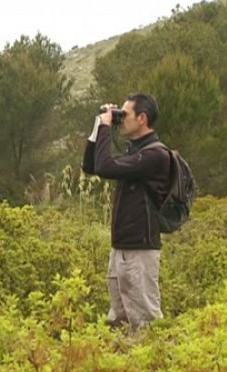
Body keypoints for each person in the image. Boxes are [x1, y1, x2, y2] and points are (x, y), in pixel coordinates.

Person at [81, 93, 171, 331]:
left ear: (142, 118)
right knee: (118, 320)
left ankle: (155, 365)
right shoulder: (136, 152)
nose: (121, 119)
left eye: (125, 114)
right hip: (121, 245)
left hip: (140, 248)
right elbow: (90, 166)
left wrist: (106, 127)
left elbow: (104, 166)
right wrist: (98, 127)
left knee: (145, 322)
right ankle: (122, 367)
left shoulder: (154, 155)